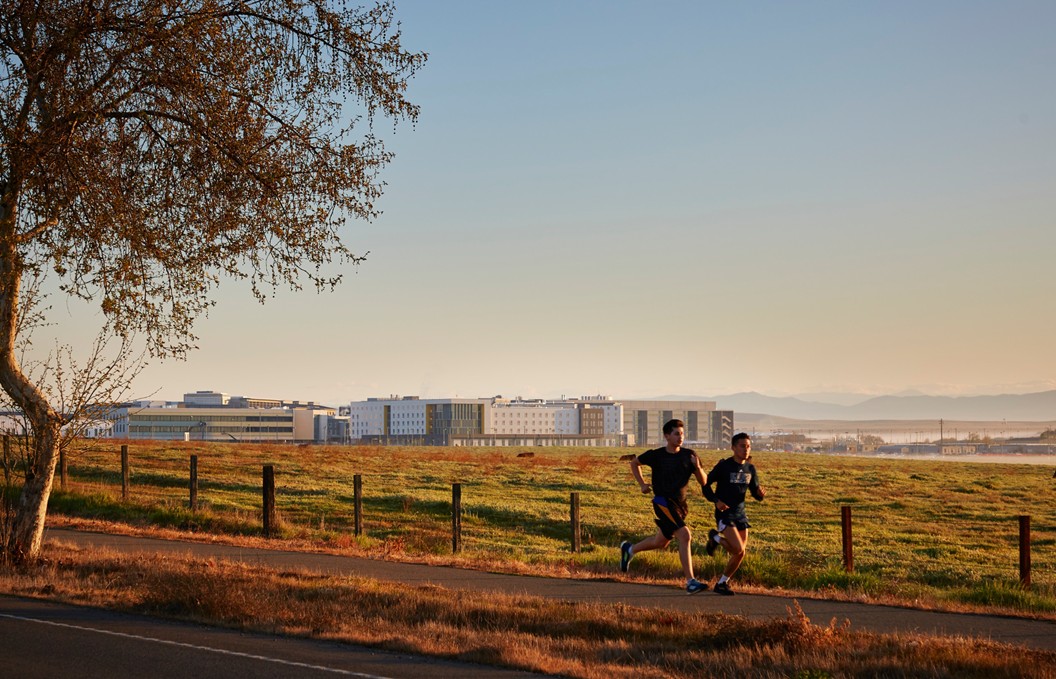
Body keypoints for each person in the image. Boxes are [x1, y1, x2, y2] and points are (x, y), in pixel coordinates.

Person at [619, 419, 710, 594]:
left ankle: (629, 550)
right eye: (676, 434)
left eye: (682, 434)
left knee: (660, 542)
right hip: (662, 502)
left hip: (680, 506)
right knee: (685, 535)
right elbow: (634, 463)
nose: (680, 437)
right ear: (667, 436)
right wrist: (642, 484)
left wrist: (697, 468)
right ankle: (690, 581)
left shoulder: (689, 455)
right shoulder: (657, 455)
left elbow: (704, 482)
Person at [701, 432, 766, 595]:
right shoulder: (724, 466)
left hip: (740, 514)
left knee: (740, 553)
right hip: (725, 513)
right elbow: (705, 485)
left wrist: (760, 494)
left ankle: (722, 583)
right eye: (742, 446)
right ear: (733, 447)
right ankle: (716, 538)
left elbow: (755, 493)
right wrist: (716, 501)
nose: (746, 449)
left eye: (748, 446)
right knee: (737, 548)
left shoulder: (750, 468)